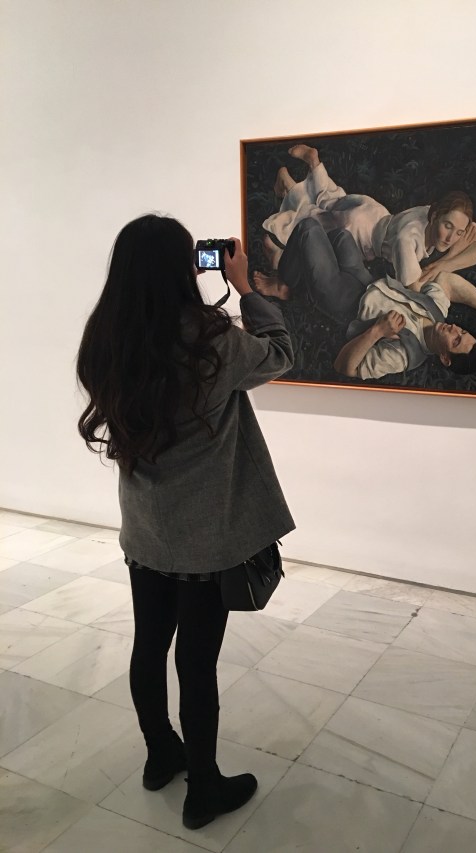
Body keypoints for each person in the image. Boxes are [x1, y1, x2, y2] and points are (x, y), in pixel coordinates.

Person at [76, 214, 295, 831]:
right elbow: (281, 354)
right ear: (185, 267)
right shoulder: (211, 340)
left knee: (149, 645)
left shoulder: (107, 337)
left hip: (145, 529)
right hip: (206, 536)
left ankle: (160, 755)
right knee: (196, 663)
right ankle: (203, 788)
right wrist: (245, 287)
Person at [260, 144, 476, 288]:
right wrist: (442, 268)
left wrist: (445, 263)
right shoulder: (409, 239)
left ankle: (309, 167)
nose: (451, 238)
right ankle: (281, 249)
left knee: (330, 201)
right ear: (435, 216)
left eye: (459, 232)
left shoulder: (441, 212)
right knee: (313, 224)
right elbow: (414, 286)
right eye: (448, 227)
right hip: (362, 234)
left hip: (374, 211)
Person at [334, 268, 476, 380]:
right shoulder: (437, 313)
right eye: (462, 331)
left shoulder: (404, 355)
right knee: (343, 238)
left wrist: (377, 331)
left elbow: (344, 368)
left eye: (456, 340)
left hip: (344, 300)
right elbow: (447, 281)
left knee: (317, 237)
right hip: (364, 275)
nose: (454, 328)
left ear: (445, 358)